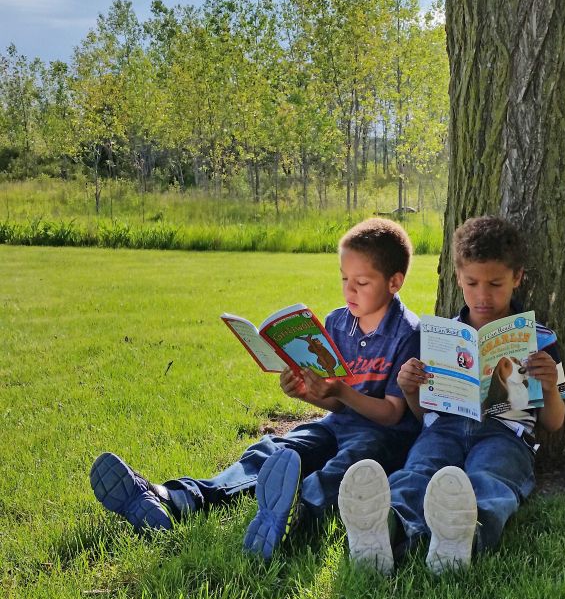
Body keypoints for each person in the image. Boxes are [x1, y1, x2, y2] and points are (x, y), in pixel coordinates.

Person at [89, 218, 421, 559]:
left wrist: (339, 391)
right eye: (344, 279)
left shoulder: (408, 333)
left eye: (361, 283)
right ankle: (177, 498)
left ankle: (296, 514)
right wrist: (307, 392)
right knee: (275, 450)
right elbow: (336, 405)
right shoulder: (338, 322)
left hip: (383, 436)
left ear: (394, 282)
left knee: (347, 465)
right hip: (337, 424)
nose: (349, 290)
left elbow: (392, 414)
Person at [337, 215, 565, 575]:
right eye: (472, 283)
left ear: (517, 278)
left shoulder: (541, 339)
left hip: (505, 435)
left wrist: (550, 386)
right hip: (443, 429)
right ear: (458, 277)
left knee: (490, 479)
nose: (483, 295)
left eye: (495, 284)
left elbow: (554, 422)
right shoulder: (443, 336)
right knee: (419, 471)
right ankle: (386, 528)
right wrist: (411, 389)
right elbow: (423, 414)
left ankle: (463, 538)